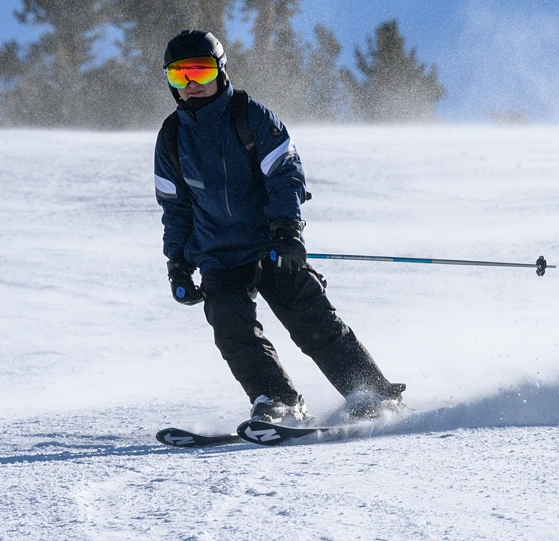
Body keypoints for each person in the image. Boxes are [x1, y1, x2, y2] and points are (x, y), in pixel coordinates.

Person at [153, 29, 403, 428]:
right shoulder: (171, 138)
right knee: (232, 329)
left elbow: (285, 175)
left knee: (312, 320)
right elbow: (175, 209)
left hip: (271, 243)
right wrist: (177, 265)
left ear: (219, 70)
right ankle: (277, 400)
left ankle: (370, 393)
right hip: (219, 254)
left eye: (200, 71)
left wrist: (289, 232)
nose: (192, 84)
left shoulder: (249, 116)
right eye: (180, 75)